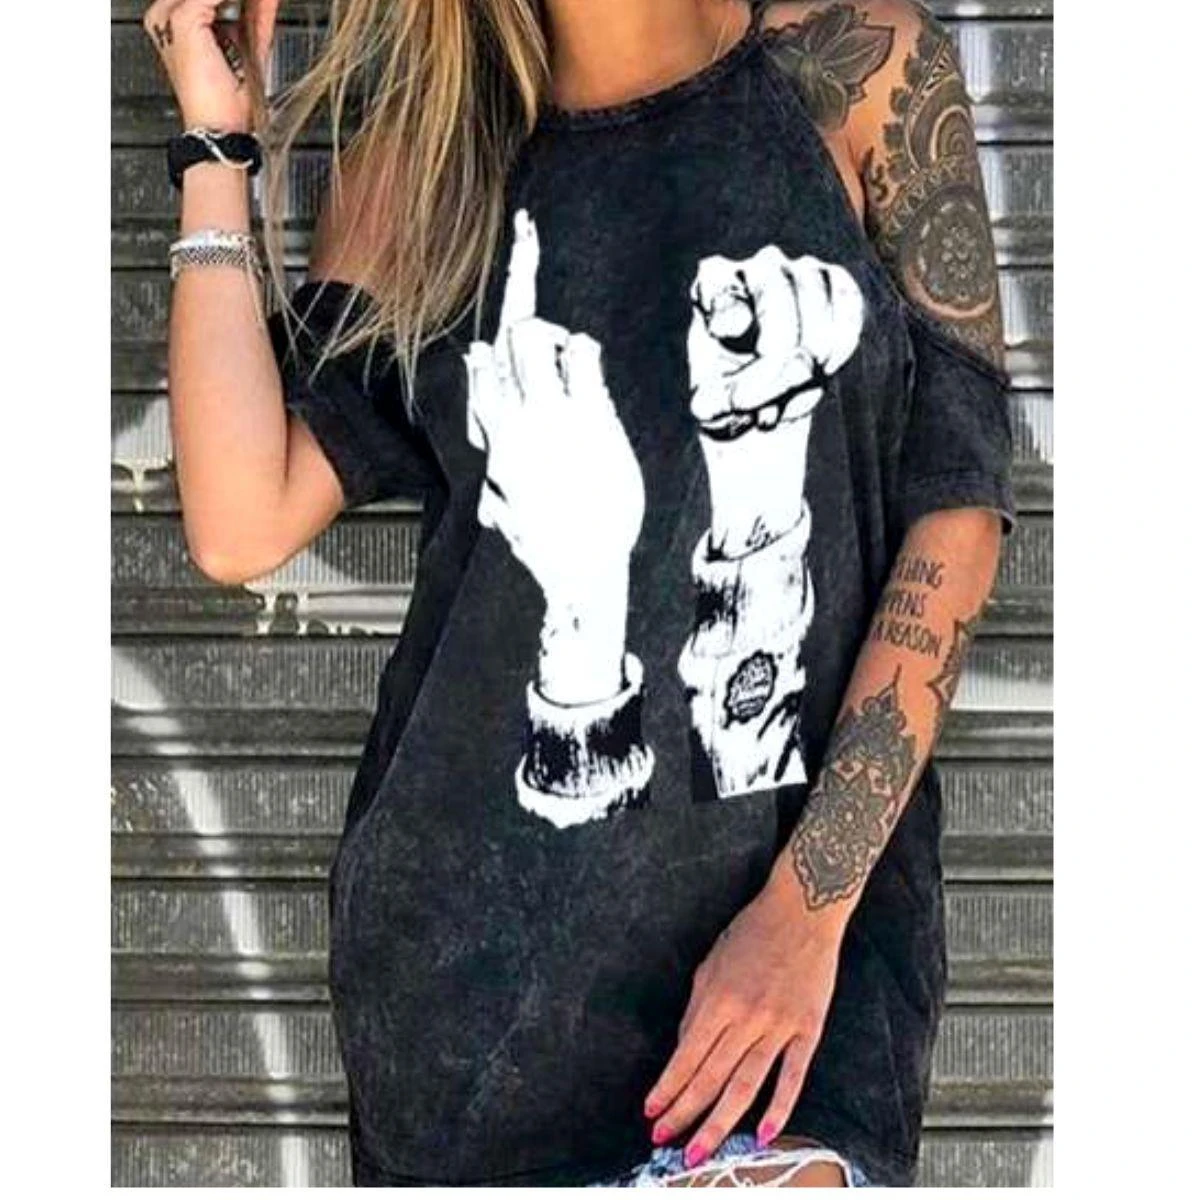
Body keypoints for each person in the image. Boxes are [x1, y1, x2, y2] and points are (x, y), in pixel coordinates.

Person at [145, 0, 1016, 1186]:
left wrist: (806, 911)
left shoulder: (854, 69)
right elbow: (241, 520)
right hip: (478, 1008)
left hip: (788, 984)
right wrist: (216, 145)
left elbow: (957, 511)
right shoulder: (428, 163)